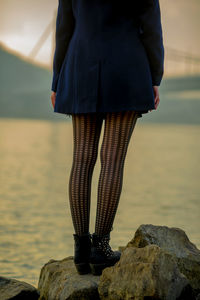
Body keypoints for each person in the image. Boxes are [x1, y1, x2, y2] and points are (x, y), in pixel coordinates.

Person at [50, 0, 164, 276]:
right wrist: (155, 76)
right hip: (127, 67)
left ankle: (80, 250)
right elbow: (151, 30)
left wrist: (57, 80)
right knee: (112, 161)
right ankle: (100, 248)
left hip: (79, 64)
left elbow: (64, 29)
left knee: (81, 159)